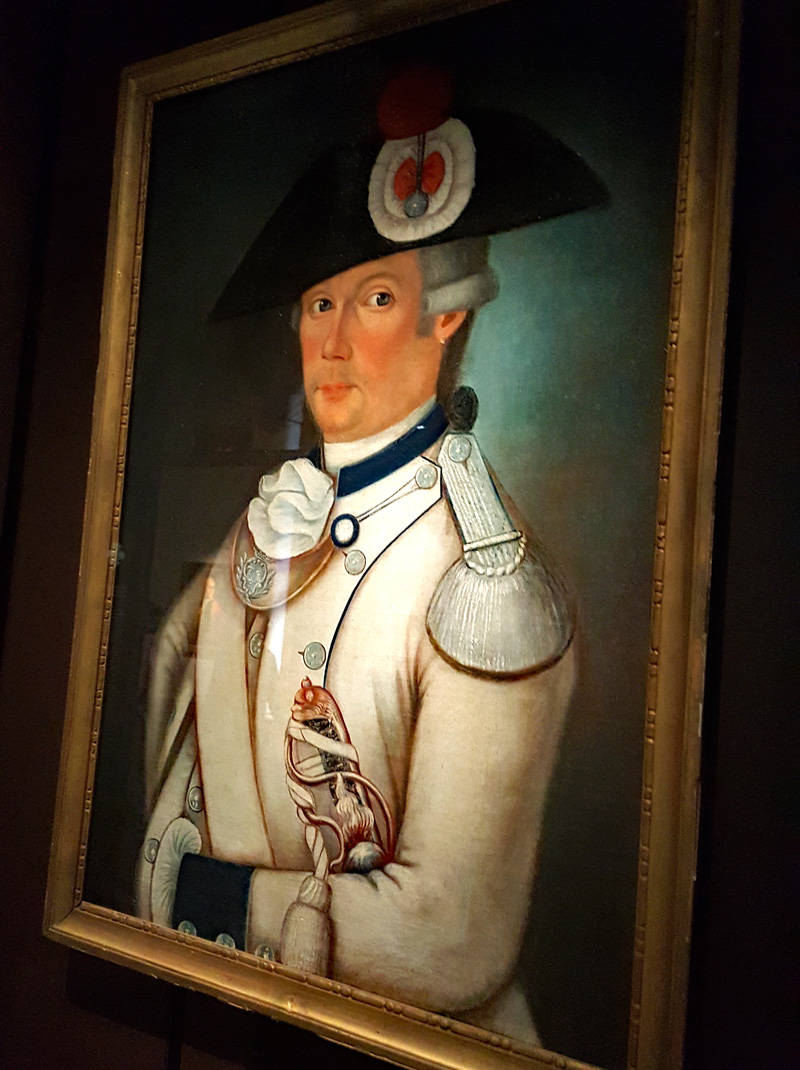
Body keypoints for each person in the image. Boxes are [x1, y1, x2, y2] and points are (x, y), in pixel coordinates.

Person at [136, 70, 605, 1044]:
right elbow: (174, 757)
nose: (334, 342)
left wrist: (212, 896)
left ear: (447, 315)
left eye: (376, 298)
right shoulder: (264, 523)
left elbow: (453, 934)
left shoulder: (488, 576)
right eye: (318, 304)